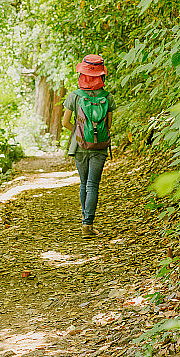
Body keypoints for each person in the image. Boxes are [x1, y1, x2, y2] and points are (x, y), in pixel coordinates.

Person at [62, 54, 117, 238]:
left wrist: (79, 134)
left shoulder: (74, 96)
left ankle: (85, 220)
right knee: (93, 184)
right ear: (102, 76)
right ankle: (88, 225)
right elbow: (108, 125)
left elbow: (65, 122)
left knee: (84, 183)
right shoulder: (107, 97)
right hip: (99, 147)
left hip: (79, 147)